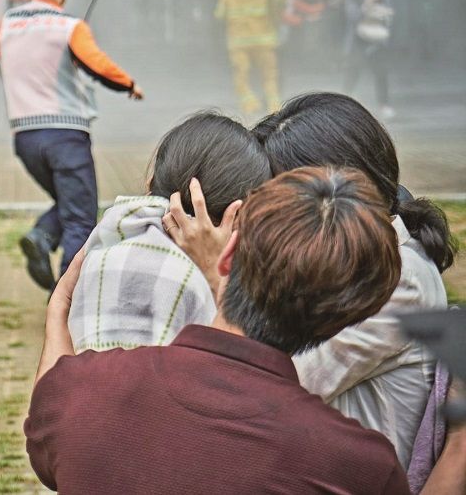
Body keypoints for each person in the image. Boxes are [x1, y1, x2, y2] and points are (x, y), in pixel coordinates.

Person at [26, 166, 410, 494]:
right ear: (350, 316)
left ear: (228, 254)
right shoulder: (361, 467)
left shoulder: (82, 390)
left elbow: (45, 443)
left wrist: (57, 310)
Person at [167, 92, 455, 469]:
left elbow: (261, 386)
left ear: (332, 196)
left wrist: (215, 272)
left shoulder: (397, 281)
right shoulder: (361, 255)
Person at [0, 0, 143, 291]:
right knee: (80, 216)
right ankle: (68, 302)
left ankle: (42, 235)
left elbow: (11, 58)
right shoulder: (69, 26)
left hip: (25, 137)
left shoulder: (8, 26)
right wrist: (130, 85)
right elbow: (99, 65)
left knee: (70, 202)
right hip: (65, 136)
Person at [68, 113, 270, 352]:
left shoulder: (104, 243)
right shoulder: (206, 284)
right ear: (237, 217)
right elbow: (249, 371)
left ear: (150, 183)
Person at [214, 0, 285, 116]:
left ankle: (250, 105)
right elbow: (280, 1)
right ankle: (274, 106)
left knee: (241, 74)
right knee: (269, 74)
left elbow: (219, 15)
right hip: (264, 40)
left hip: (238, 42)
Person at [343, 0, 395, 119]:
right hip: (358, 43)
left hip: (377, 43)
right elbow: (353, 17)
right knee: (352, 73)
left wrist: (378, 7)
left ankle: (384, 104)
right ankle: (342, 103)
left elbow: (388, 16)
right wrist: (367, 3)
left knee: (381, 74)